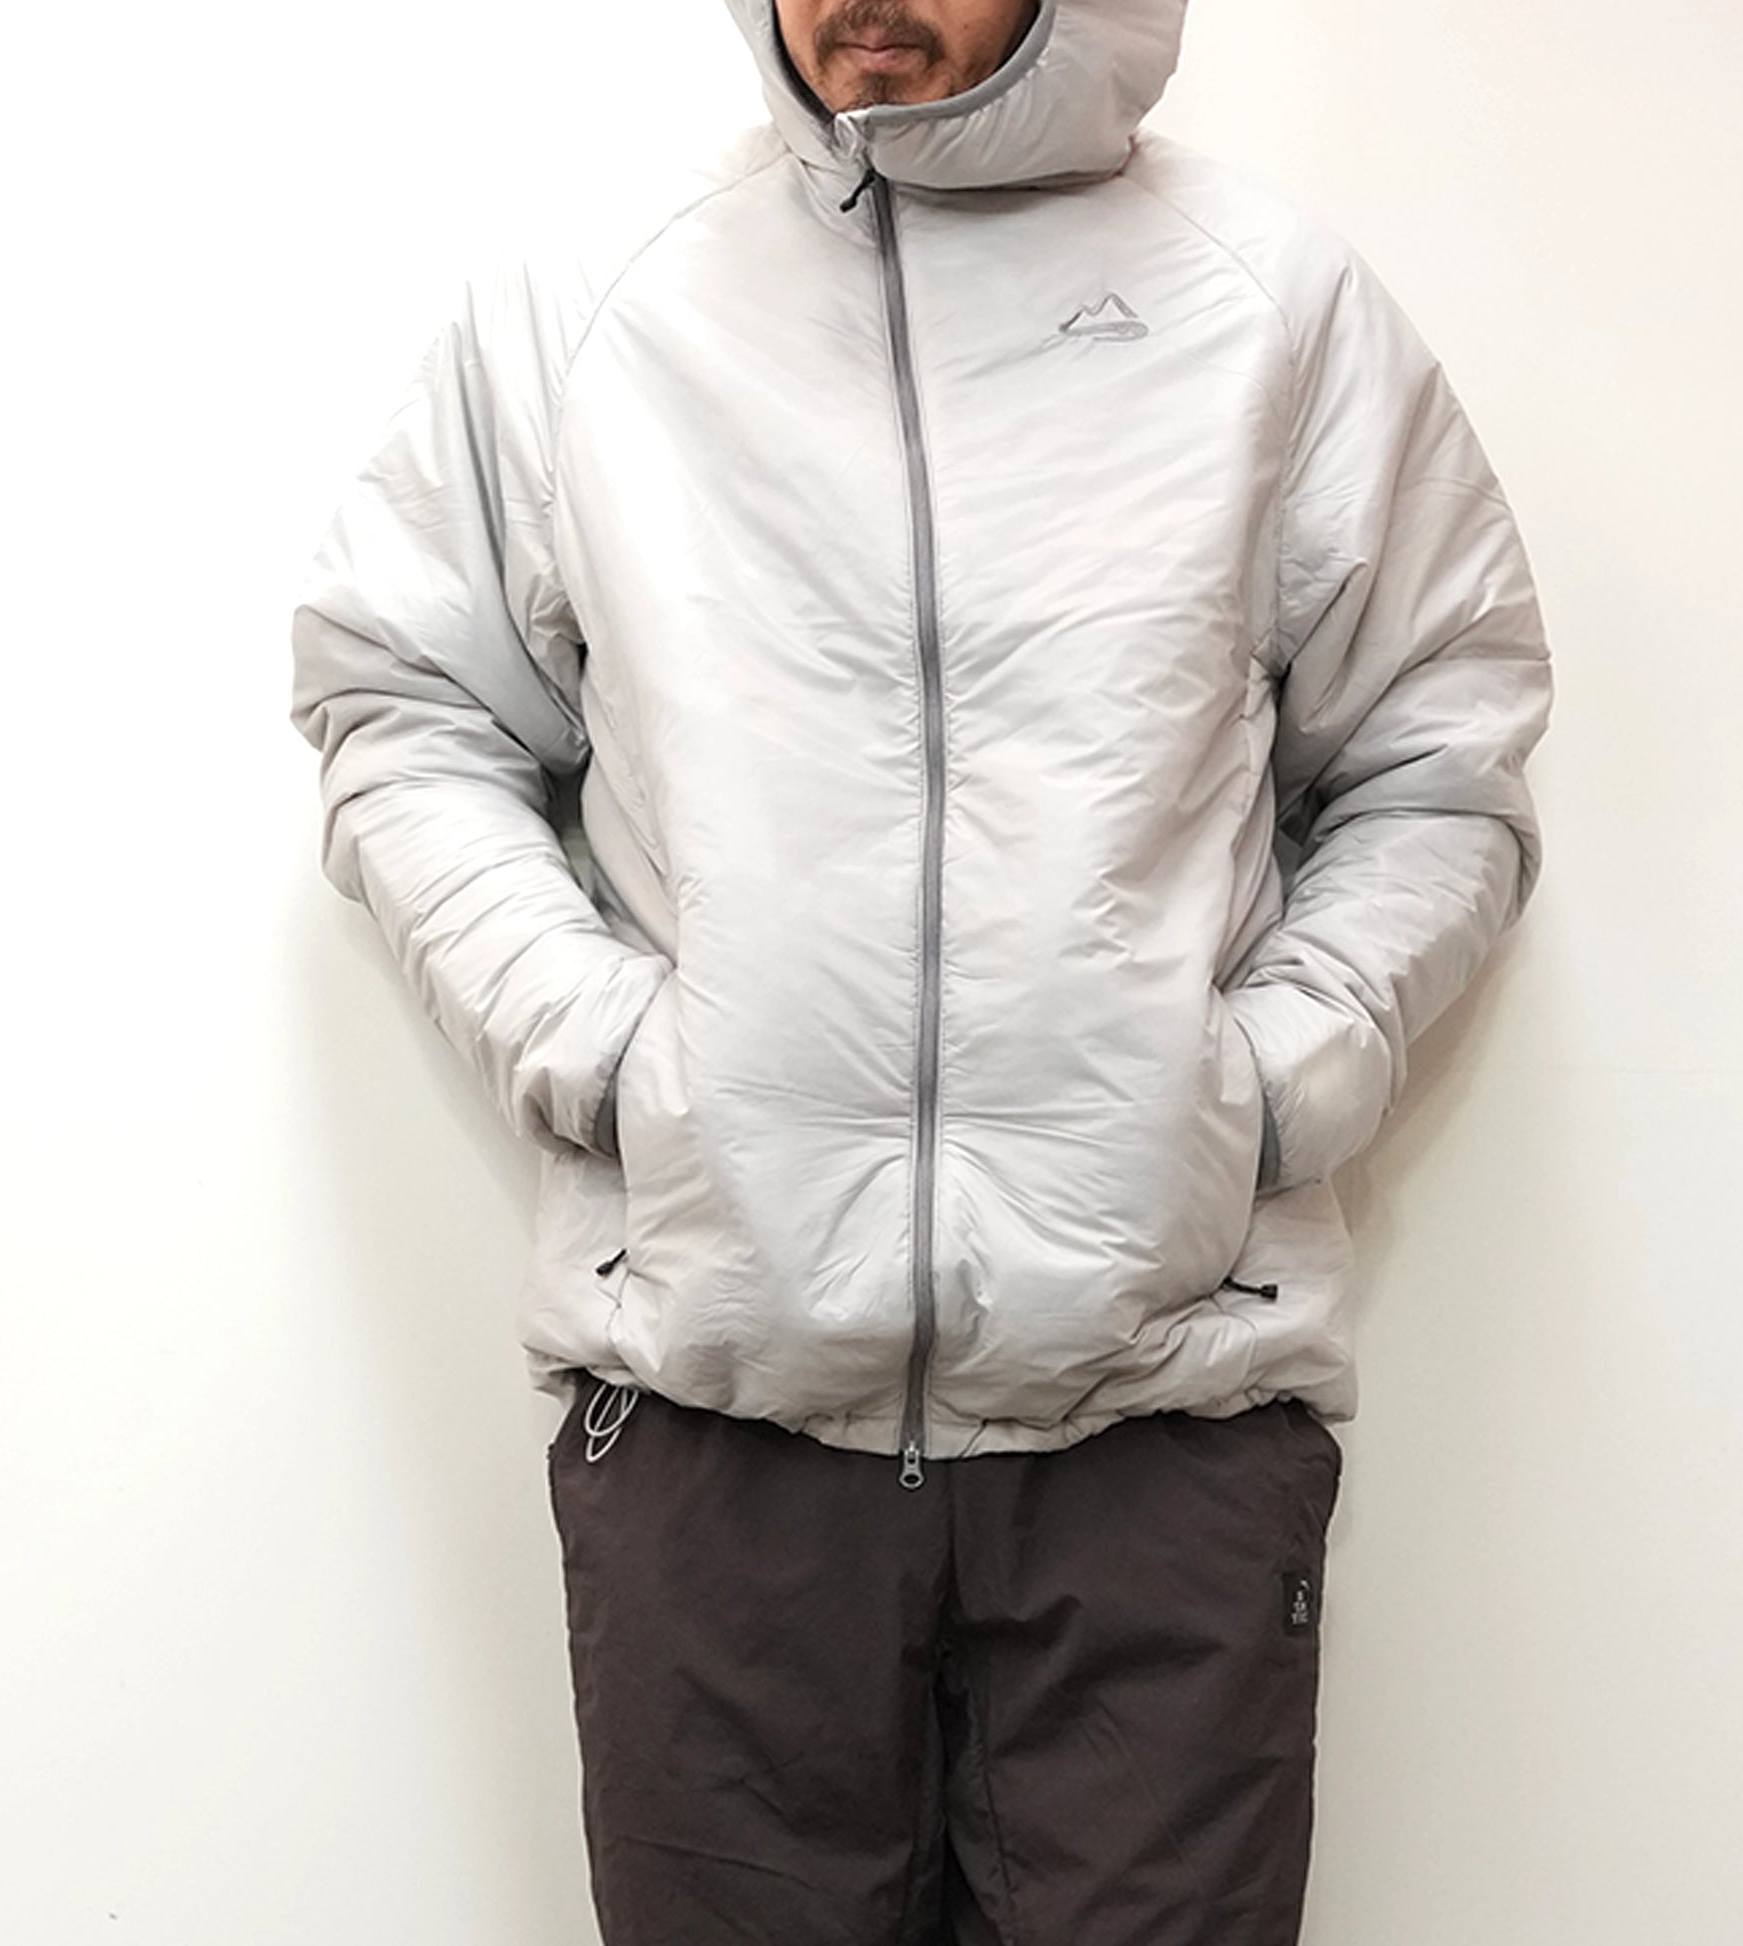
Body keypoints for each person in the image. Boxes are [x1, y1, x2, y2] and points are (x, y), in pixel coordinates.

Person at [289, 0, 1553, 1937]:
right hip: (720, 1431)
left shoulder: (1269, 311)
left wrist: (1255, 1090)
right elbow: (404, 701)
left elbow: (1439, 755)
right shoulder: (591, 314)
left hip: (1158, 1431)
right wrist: (605, 1053)